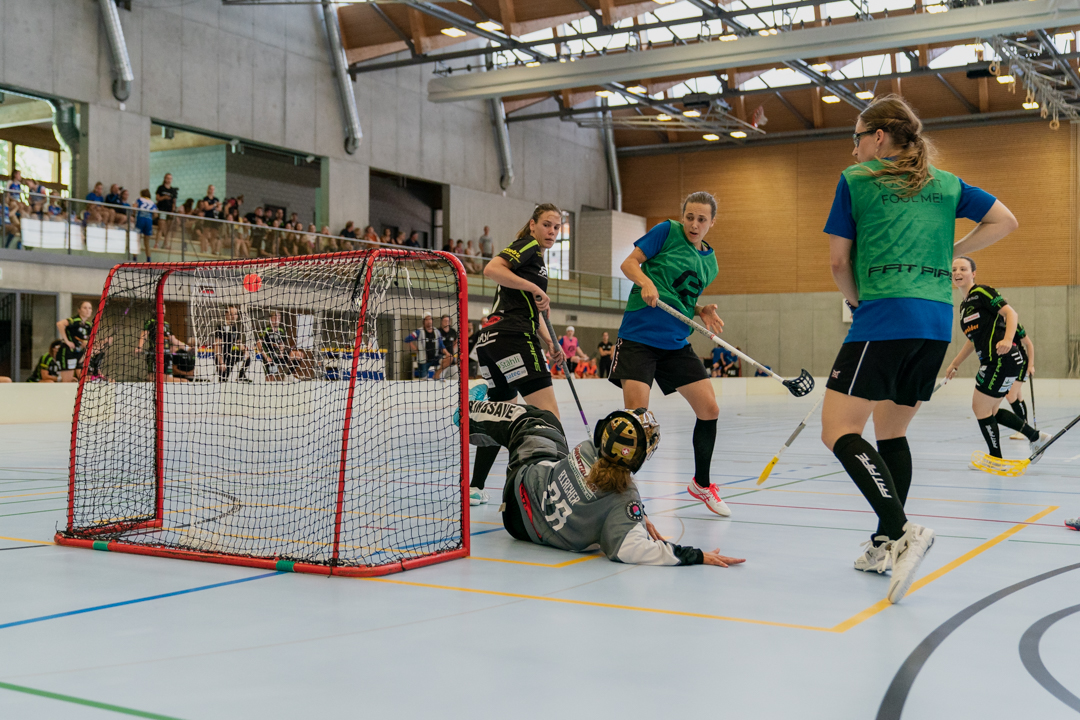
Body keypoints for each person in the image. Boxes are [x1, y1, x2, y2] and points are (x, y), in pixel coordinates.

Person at [820, 95, 1017, 604]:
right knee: (891, 434)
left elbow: (839, 263)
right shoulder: (947, 184)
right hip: (934, 323)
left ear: (879, 138)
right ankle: (886, 543)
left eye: (858, 136)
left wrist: (857, 303)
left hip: (883, 316)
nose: (855, 146)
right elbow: (1005, 221)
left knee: (837, 430)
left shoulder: (855, 180)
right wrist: (950, 252)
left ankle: (903, 528)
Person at [467, 397, 745, 568]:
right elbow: (634, 549)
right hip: (520, 528)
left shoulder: (589, 449)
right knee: (547, 429)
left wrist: (638, 516)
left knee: (538, 419)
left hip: (523, 488)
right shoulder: (624, 502)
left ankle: (471, 410)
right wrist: (697, 556)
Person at [610, 191, 729, 516]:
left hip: (676, 342)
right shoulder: (666, 231)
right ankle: (618, 493)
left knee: (710, 409)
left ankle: (701, 485)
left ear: (711, 223)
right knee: (637, 419)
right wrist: (645, 281)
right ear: (683, 216)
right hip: (639, 338)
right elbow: (628, 263)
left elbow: (681, 297)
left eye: (701, 219)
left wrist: (701, 309)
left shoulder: (711, 263)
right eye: (689, 216)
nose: (694, 223)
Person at [470, 204, 567, 506]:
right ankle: (550, 490)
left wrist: (553, 343)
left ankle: (475, 487)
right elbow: (491, 269)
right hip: (513, 340)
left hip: (491, 343)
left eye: (556, 227)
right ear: (533, 225)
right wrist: (532, 287)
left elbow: (530, 311)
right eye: (547, 225)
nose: (551, 231)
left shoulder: (536, 262)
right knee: (549, 418)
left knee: (505, 415)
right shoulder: (527, 246)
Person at [943, 257, 1049, 459]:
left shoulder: (981, 292)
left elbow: (1011, 313)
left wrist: (1008, 339)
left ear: (973, 273)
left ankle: (996, 457)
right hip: (995, 362)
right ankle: (1036, 437)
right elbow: (972, 340)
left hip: (1002, 359)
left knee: (979, 407)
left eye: (963, 269)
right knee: (990, 409)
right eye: (954, 269)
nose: (958, 272)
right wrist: (955, 364)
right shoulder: (964, 307)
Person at [135, 307, 191, 381]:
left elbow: (174, 340)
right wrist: (139, 347)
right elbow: (144, 335)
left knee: (166, 378)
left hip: (166, 356)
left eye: (164, 308)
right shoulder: (151, 322)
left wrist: (188, 348)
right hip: (155, 354)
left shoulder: (166, 324)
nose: (163, 310)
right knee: (153, 377)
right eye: (161, 308)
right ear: (154, 310)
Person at [258, 310, 303, 380]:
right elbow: (259, 343)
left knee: (299, 355)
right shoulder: (265, 330)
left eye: (279, 318)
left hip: (278, 355)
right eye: (275, 318)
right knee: (270, 378)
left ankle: (288, 375)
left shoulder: (281, 330)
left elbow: (281, 343)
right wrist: (266, 357)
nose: (277, 320)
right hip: (269, 356)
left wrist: (281, 352)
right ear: (270, 319)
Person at [56, 301, 94, 382]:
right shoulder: (75, 320)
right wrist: (67, 341)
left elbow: (85, 341)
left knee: (77, 380)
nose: (88, 310)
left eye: (90, 308)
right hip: (67, 352)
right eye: (85, 308)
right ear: (79, 310)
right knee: (67, 381)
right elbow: (60, 324)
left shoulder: (88, 325)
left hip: (78, 354)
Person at [214, 305, 250, 382]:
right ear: (226, 314)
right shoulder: (220, 327)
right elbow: (218, 346)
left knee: (248, 357)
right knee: (223, 379)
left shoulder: (234, 328)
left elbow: (238, 342)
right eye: (231, 314)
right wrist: (221, 362)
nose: (234, 316)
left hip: (231, 356)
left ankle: (241, 376)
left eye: (235, 314)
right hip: (222, 357)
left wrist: (245, 351)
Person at [405, 312, 444, 379]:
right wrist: (415, 348)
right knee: (423, 380)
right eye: (427, 319)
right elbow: (407, 339)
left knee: (445, 361)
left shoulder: (437, 331)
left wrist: (446, 353)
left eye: (430, 319)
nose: (429, 321)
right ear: (423, 321)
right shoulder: (419, 331)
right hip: (423, 360)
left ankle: (437, 375)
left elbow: (441, 344)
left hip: (435, 358)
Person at [154, 173, 178, 249]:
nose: (169, 180)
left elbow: (174, 201)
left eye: (170, 178)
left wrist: (172, 210)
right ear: (165, 179)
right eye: (167, 178)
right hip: (162, 210)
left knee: (168, 229)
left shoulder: (173, 190)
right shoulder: (161, 188)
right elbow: (157, 198)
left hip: (169, 210)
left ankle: (165, 244)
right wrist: (164, 197)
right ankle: (157, 243)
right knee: (161, 227)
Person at [135, 189, 156, 261]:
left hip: (140, 220)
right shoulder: (152, 203)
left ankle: (134, 258)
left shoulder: (139, 200)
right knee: (147, 242)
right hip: (148, 221)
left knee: (137, 240)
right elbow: (156, 214)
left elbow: (134, 208)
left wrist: (134, 214)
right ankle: (148, 260)